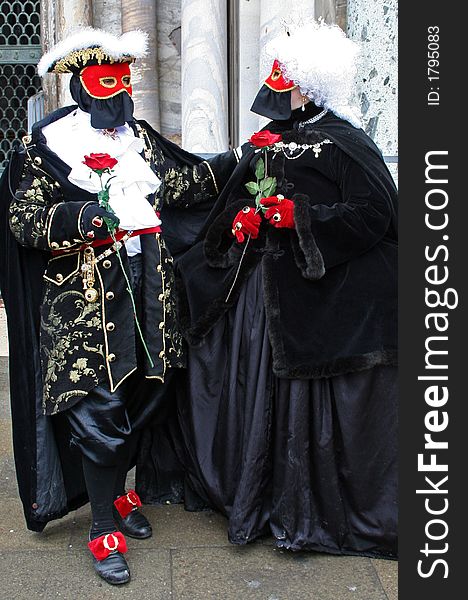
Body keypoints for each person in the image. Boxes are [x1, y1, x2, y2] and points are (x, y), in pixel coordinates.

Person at [0, 28, 234, 585]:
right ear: (81, 86)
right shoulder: (44, 148)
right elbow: (22, 218)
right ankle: (102, 524)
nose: (120, 92)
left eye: (125, 81)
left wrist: (235, 164)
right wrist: (81, 220)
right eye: (107, 82)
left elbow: (175, 184)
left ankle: (120, 492)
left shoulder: (140, 138)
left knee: (144, 392)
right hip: (82, 303)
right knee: (98, 406)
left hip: (148, 289)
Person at [171, 20, 398, 558]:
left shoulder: (346, 142)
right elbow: (227, 208)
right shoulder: (267, 142)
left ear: (309, 87)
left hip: (318, 301)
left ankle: (307, 509)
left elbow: (377, 213)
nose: (277, 91)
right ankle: (262, 499)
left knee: (301, 397)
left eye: (287, 82)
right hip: (258, 300)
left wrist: (302, 218)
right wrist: (238, 224)